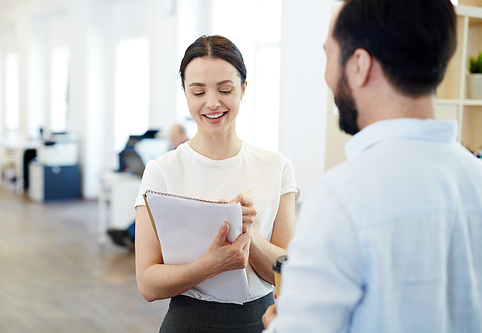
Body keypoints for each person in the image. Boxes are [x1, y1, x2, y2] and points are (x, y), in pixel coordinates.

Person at [263, 0, 482, 332]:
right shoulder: (476, 178)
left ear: (359, 65)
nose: (326, 74)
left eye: (329, 55)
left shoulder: (342, 195)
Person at [134, 35, 300, 332]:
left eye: (225, 90)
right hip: (188, 322)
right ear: (185, 93)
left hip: (262, 321)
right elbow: (147, 284)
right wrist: (209, 265)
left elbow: (289, 270)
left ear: (243, 89)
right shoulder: (162, 172)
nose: (212, 103)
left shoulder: (277, 167)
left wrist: (247, 230)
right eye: (198, 92)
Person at [108, 123, 189, 248]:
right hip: (168, 191)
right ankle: (130, 233)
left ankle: (129, 234)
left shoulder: (188, 152)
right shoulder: (172, 151)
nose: (172, 140)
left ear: (183, 135)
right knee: (147, 205)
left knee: (154, 209)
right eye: (171, 137)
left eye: (174, 136)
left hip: (178, 196)